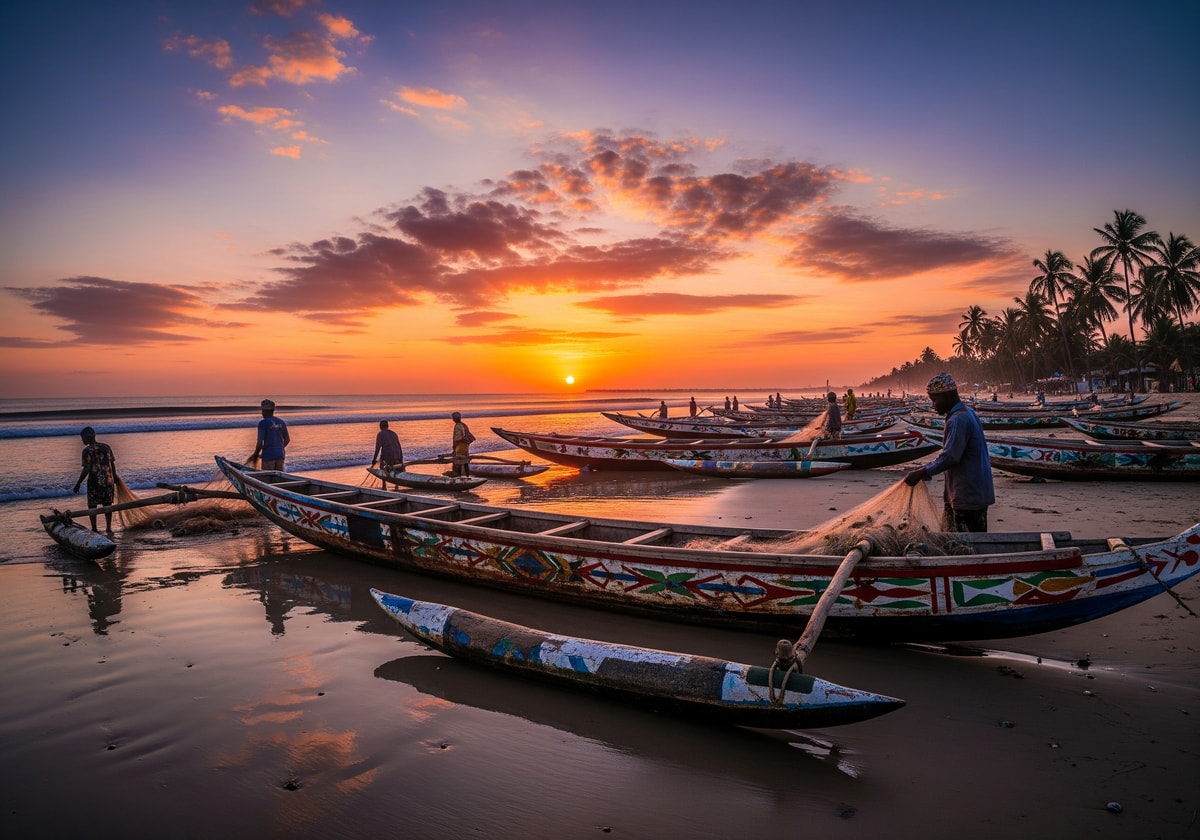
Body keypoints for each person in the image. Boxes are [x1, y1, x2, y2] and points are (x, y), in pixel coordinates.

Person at [905, 372, 995, 533]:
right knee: (953, 540)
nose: (934, 405)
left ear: (947, 396)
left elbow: (951, 457)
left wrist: (922, 471)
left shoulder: (958, 420)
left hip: (968, 493)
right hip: (971, 491)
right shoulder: (968, 412)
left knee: (965, 546)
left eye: (935, 400)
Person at [72, 426, 116, 532]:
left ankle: (95, 529)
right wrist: (114, 477)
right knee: (107, 505)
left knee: (92, 506)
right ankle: (109, 528)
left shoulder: (87, 451)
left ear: (88, 437)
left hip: (95, 482)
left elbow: (87, 468)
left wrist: (78, 483)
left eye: (83, 437)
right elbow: (112, 463)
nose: (82, 440)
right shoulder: (106, 447)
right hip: (109, 481)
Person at [250, 399, 290, 471]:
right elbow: (287, 440)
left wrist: (255, 455)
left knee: (268, 478)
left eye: (262, 410)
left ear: (264, 411)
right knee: (279, 479)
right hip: (280, 455)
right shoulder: (281, 422)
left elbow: (260, 443)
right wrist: (279, 448)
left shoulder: (263, 423)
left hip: (268, 456)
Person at [450, 411, 476, 477]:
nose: (453, 419)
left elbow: (458, 438)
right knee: (465, 462)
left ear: (455, 418)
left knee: (457, 461)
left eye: (453, 418)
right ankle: (467, 476)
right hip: (465, 446)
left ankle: (457, 477)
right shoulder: (464, 425)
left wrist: (454, 446)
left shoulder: (458, 426)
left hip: (460, 446)